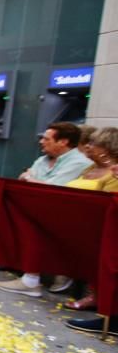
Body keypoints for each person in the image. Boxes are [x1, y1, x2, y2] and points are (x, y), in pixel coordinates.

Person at [0, 122, 93, 297]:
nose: (41, 141)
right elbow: (24, 178)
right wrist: (32, 179)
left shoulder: (80, 163)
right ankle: (20, 267)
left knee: (32, 224)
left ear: (63, 142)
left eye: (47, 138)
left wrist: (31, 178)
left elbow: (52, 188)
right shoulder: (43, 159)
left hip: (64, 214)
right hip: (37, 208)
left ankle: (31, 279)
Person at [61, 127, 118, 312]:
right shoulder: (91, 167)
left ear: (107, 147)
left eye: (94, 144)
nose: (88, 146)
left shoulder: (112, 172)